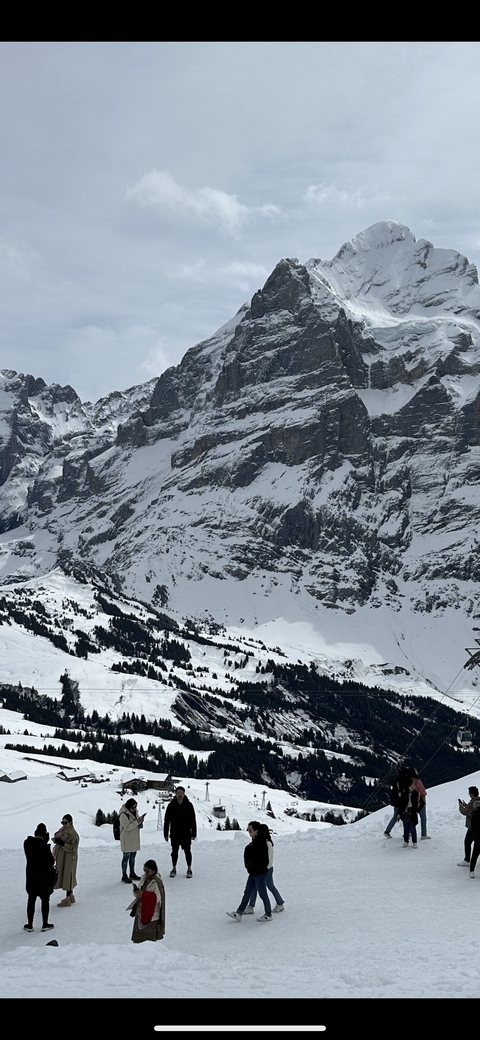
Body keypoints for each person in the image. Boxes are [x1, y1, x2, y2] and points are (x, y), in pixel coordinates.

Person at [226, 821, 273, 922]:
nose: (249, 832)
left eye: (250, 830)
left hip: (259, 874)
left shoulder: (262, 844)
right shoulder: (253, 844)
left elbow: (264, 861)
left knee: (262, 893)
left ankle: (268, 914)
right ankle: (239, 913)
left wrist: (256, 869)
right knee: (247, 892)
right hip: (253, 873)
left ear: (256, 831)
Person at [245, 822, 285, 914]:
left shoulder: (267, 843)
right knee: (255, 887)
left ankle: (280, 903)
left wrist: (265, 869)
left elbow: (269, 858)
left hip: (266, 870)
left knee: (269, 886)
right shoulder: (262, 843)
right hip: (263, 869)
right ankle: (251, 906)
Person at [23, 823, 56, 933]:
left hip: (31, 878)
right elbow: (51, 861)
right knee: (45, 900)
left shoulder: (27, 844)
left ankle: (29, 925)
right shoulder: (44, 847)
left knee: (31, 900)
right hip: (43, 879)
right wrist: (45, 843)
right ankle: (45, 924)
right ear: (44, 835)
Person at [126, 859, 165, 943]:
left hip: (152, 914)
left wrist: (143, 894)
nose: (146, 873)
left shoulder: (157, 882)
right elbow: (139, 894)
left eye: (148, 871)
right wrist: (136, 892)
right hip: (141, 911)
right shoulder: (144, 878)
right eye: (145, 870)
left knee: (149, 942)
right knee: (138, 940)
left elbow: (158, 897)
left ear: (154, 871)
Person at [163, 786, 197, 878]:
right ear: (175, 794)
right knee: (174, 851)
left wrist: (194, 833)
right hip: (174, 833)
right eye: (178, 793)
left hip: (186, 833)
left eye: (181, 793)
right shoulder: (171, 805)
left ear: (184, 794)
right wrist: (165, 834)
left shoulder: (189, 805)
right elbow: (166, 820)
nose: (179, 795)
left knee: (187, 851)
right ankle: (174, 868)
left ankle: (189, 869)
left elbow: (193, 820)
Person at [53, 813, 79, 906]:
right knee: (67, 876)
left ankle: (67, 899)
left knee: (68, 877)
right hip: (63, 858)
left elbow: (74, 847)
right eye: (62, 822)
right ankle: (71, 896)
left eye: (65, 823)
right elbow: (57, 837)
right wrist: (55, 840)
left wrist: (63, 844)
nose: (63, 825)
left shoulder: (73, 834)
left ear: (71, 823)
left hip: (69, 859)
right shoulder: (63, 830)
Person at [119, 797, 146, 883]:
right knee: (126, 858)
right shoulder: (123, 814)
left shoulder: (135, 812)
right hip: (127, 838)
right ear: (128, 807)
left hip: (134, 838)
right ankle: (124, 875)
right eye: (133, 807)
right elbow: (127, 827)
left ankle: (132, 873)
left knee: (133, 857)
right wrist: (138, 822)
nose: (134, 809)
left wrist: (141, 823)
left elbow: (137, 823)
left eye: (135, 807)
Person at [384, 766, 409, 838]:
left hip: (396, 802)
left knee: (395, 816)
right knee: (405, 816)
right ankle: (407, 832)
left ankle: (387, 831)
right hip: (402, 801)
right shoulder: (404, 780)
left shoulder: (397, 780)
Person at [458, 787, 480, 870]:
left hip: (472, 827)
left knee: (467, 842)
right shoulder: (478, 801)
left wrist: (461, 807)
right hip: (479, 826)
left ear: (471, 794)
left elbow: (465, 812)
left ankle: (467, 860)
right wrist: (467, 805)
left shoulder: (472, 803)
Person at [398, 780, 425, 848]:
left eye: (413, 785)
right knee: (406, 828)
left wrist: (417, 810)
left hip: (412, 813)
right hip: (405, 813)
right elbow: (401, 804)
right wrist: (399, 813)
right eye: (411, 785)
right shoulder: (404, 794)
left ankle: (414, 842)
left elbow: (422, 803)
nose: (413, 786)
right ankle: (406, 841)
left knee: (413, 828)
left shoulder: (417, 794)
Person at [409, 768, 430, 839]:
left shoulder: (409, 781)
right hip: (421, 803)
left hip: (412, 803)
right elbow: (423, 791)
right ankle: (424, 834)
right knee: (423, 818)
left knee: (413, 818)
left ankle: (410, 832)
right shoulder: (418, 781)